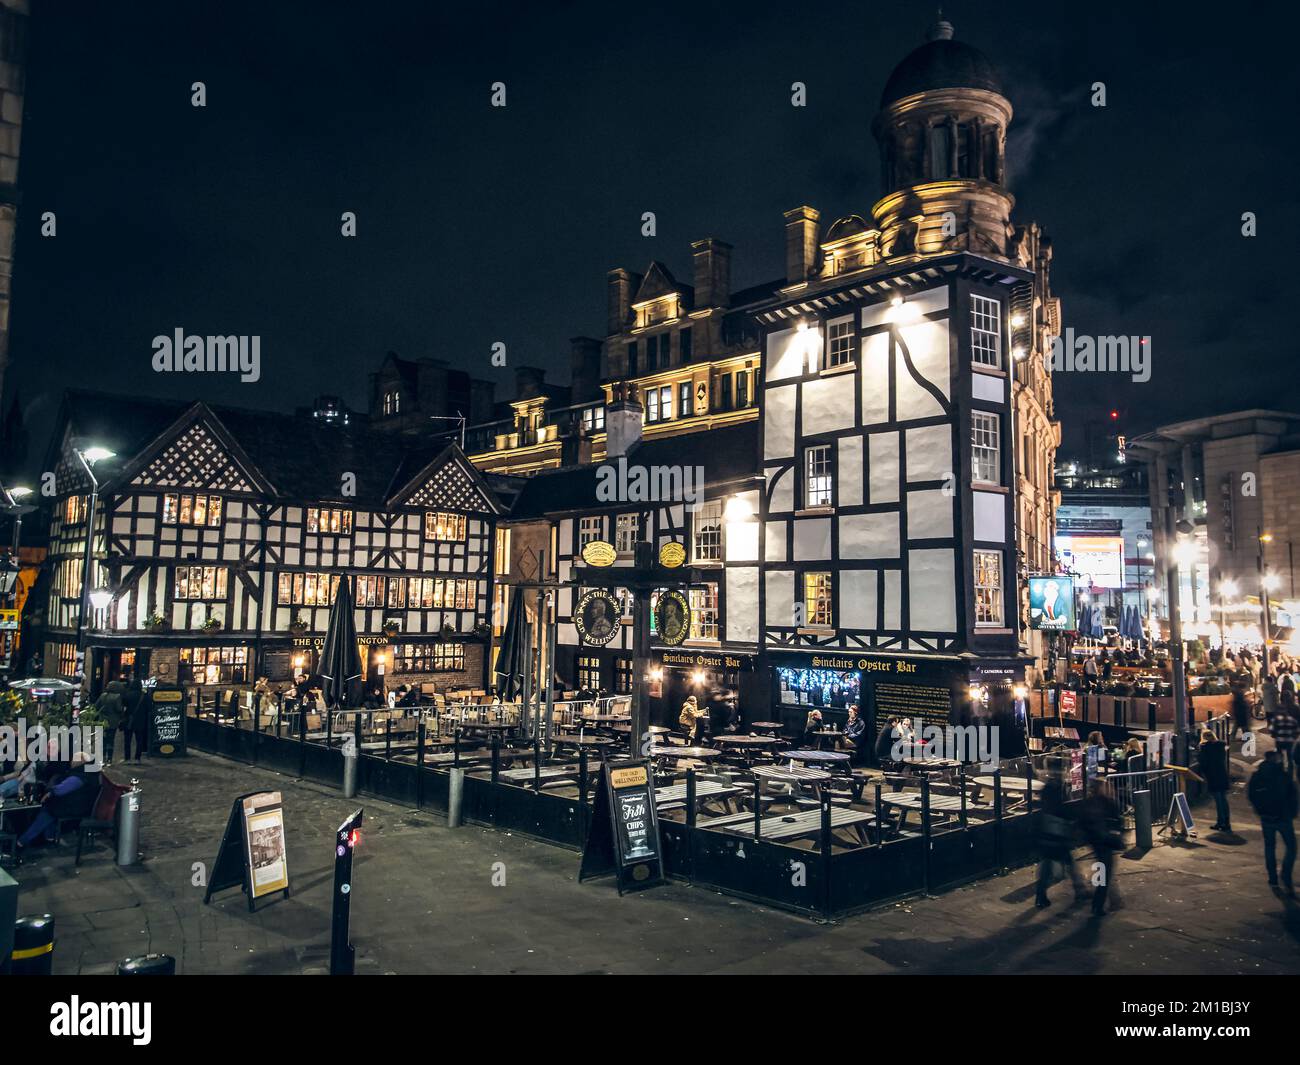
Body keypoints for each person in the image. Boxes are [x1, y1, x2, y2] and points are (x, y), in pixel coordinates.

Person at [15, 755, 100, 852]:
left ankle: (21, 842)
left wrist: (50, 792)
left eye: (73, 759)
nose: (71, 761)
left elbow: (61, 789)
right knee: (49, 808)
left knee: (49, 810)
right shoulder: (88, 773)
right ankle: (49, 837)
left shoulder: (80, 775)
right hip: (80, 805)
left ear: (81, 761)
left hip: (77, 807)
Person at [1034, 767, 1085, 908]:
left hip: (1047, 832)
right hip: (1058, 833)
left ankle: (1040, 895)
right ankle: (1079, 890)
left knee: (1047, 865)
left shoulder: (1046, 789)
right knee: (1070, 863)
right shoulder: (1059, 790)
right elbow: (1064, 809)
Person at [1248, 750, 1297, 895]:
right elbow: (1293, 796)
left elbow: (1252, 796)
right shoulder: (1283, 775)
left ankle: (1273, 878)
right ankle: (1285, 874)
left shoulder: (1257, 776)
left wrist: (1260, 810)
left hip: (1266, 818)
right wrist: (1292, 813)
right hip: (1283, 818)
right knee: (1292, 847)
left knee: (1270, 847)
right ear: (1277, 759)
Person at [1077, 779, 1124, 916]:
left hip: (1097, 843)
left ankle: (1107, 900)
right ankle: (1098, 905)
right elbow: (1114, 821)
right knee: (1104, 873)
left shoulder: (1091, 802)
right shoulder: (1104, 803)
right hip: (1103, 843)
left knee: (1104, 872)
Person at [1198, 728, 1232, 832]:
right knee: (1223, 799)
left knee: (1218, 800)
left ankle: (1220, 822)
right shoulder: (1221, 746)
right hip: (1222, 774)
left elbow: (1204, 763)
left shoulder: (1205, 748)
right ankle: (1226, 822)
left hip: (1212, 776)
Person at [93, 678, 125, 765]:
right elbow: (119, 709)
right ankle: (109, 759)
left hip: (102, 720)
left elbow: (96, 706)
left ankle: (102, 758)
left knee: (103, 740)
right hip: (112, 722)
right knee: (111, 740)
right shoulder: (117, 697)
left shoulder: (103, 695)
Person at [121, 671, 148, 762]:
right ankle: (137, 758)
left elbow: (123, 706)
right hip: (140, 720)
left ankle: (127, 758)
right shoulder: (144, 696)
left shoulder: (127, 694)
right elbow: (149, 708)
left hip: (129, 719)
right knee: (139, 740)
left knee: (127, 740)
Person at [1271, 693, 1299, 775]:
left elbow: (1273, 728)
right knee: (1290, 757)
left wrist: (1274, 735)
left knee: (1279, 756)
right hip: (1290, 738)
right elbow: (1297, 728)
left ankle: (1280, 772)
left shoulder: (1278, 708)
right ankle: (1289, 774)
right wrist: (1295, 735)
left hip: (1279, 739)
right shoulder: (1295, 709)